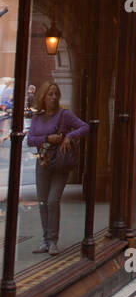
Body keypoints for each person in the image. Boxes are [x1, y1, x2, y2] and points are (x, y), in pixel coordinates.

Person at [27, 81, 89, 254]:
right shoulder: (37, 117)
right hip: (43, 163)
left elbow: (85, 127)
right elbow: (30, 140)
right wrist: (48, 138)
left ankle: (53, 240)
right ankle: (45, 240)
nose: (53, 97)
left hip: (60, 164)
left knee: (53, 201)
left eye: (56, 94)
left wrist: (69, 136)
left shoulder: (64, 115)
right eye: (50, 94)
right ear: (43, 96)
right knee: (43, 202)